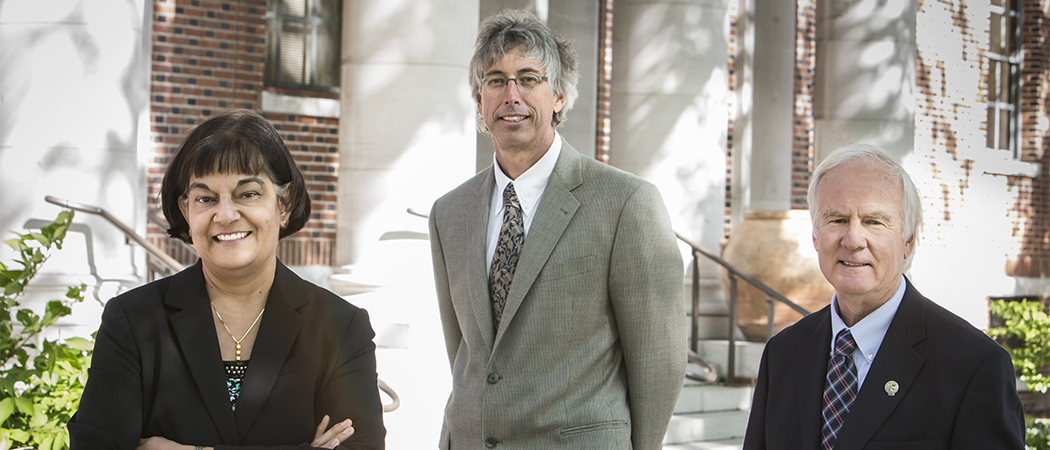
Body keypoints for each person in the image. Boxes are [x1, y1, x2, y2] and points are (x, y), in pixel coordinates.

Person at [428, 10, 686, 450]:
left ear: (560, 96)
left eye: (529, 79)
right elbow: (467, 352)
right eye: (495, 80)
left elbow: (658, 362)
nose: (512, 95)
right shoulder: (449, 213)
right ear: (479, 101)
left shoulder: (626, 203)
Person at [68, 110, 386, 450]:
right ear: (186, 210)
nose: (225, 214)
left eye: (247, 193)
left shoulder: (339, 327)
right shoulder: (133, 320)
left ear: (284, 203)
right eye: (205, 198)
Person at [742, 143, 1025, 449]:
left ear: (908, 240)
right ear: (815, 236)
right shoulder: (782, 354)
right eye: (837, 219)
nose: (852, 240)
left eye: (874, 222)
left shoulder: (973, 366)